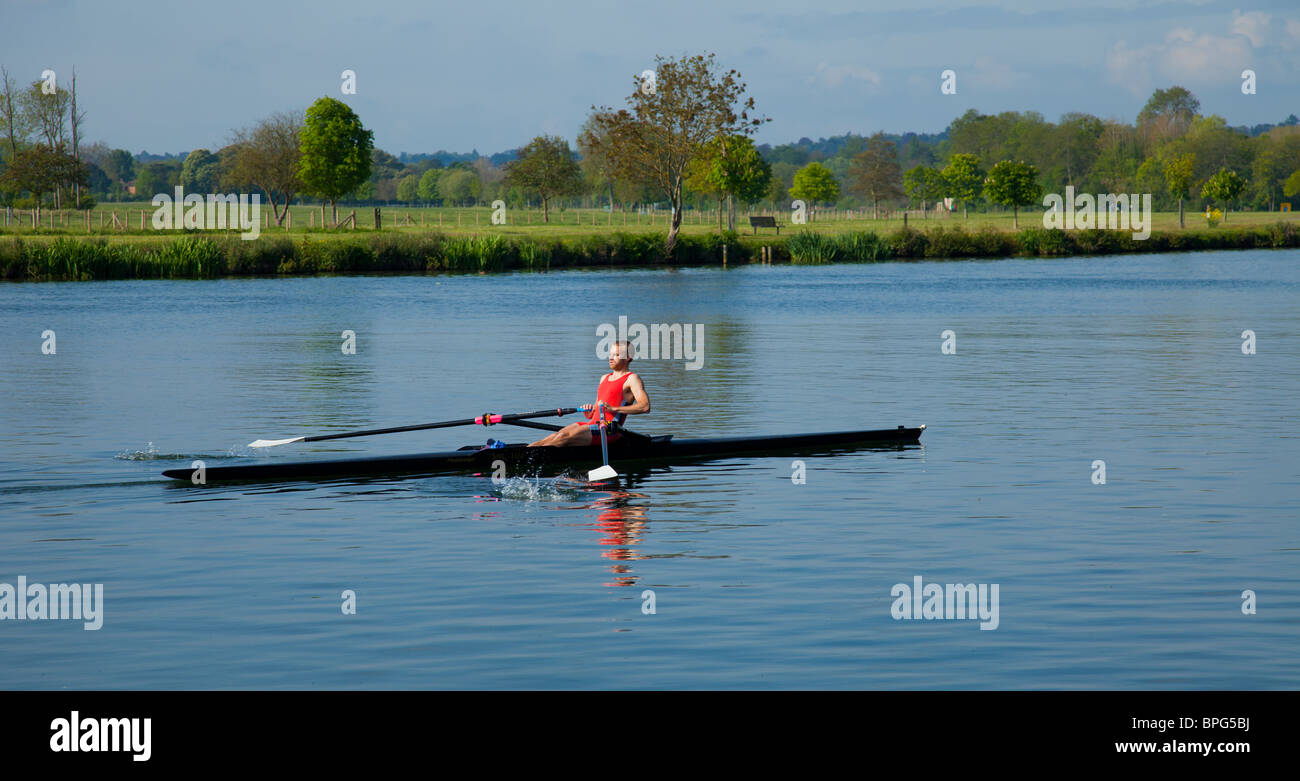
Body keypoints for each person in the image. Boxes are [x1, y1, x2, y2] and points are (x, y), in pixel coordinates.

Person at [528, 341, 649, 447]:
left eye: (616, 355)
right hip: (592, 424)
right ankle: (523, 453)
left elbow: (645, 406)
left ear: (628, 357)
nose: (611, 358)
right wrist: (589, 412)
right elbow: (596, 410)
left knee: (562, 437)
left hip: (608, 429)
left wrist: (613, 408)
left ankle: (531, 460)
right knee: (555, 436)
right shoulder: (604, 378)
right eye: (610, 354)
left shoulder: (632, 379)